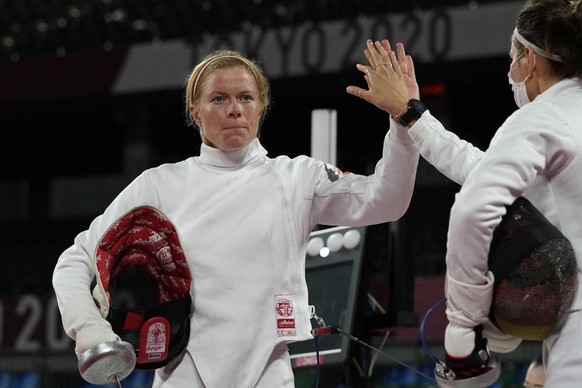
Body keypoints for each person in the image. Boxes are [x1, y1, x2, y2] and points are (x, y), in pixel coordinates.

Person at [52, 49, 421, 387]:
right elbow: (76, 258)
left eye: (245, 98)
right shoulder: (160, 184)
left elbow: (387, 201)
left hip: (269, 369)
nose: (234, 109)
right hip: (184, 370)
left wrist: (404, 119)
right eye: (219, 99)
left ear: (261, 107)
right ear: (195, 112)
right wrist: (88, 328)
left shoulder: (297, 178)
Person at [346, 0, 582, 385]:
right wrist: (411, 113)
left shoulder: (543, 118)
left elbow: (475, 208)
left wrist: (464, 326)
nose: (509, 71)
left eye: (511, 59)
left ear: (530, 60)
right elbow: (480, 170)